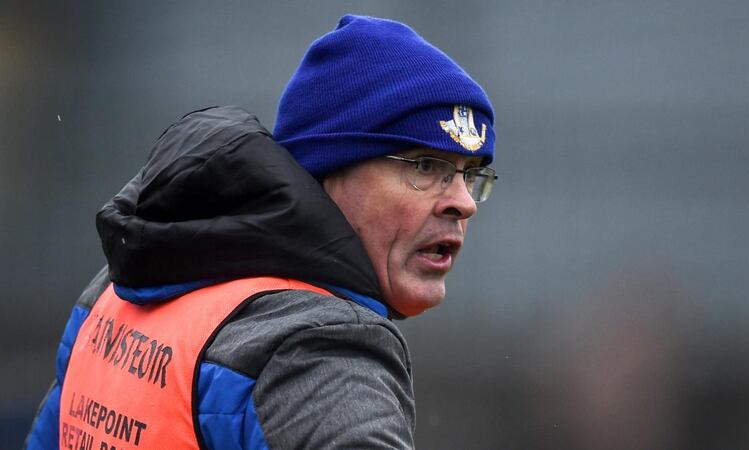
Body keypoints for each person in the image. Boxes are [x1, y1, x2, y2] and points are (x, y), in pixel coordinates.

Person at [25, 14, 496, 449]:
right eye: (426, 165)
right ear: (330, 168)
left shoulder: (120, 286)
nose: (464, 202)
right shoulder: (321, 351)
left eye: (470, 173)